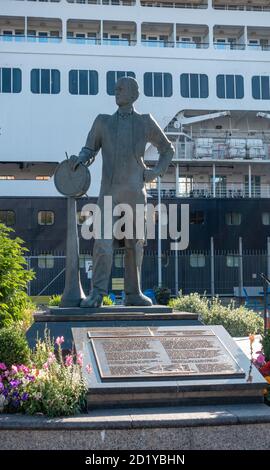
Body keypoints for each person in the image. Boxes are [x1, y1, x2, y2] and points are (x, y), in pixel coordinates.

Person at [70, 77, 174, 307]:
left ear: (134, 94)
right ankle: (97, 293)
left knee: (134, 245)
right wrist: (80, 159)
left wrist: (155, 172)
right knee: (102, 243)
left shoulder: (146, 122)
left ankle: (133, 293)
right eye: (116, 88)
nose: (116, 91)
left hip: (136, 193)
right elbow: (89, 148)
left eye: (121, 88)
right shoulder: (103, 122)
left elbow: (168, 149)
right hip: (108, 194)